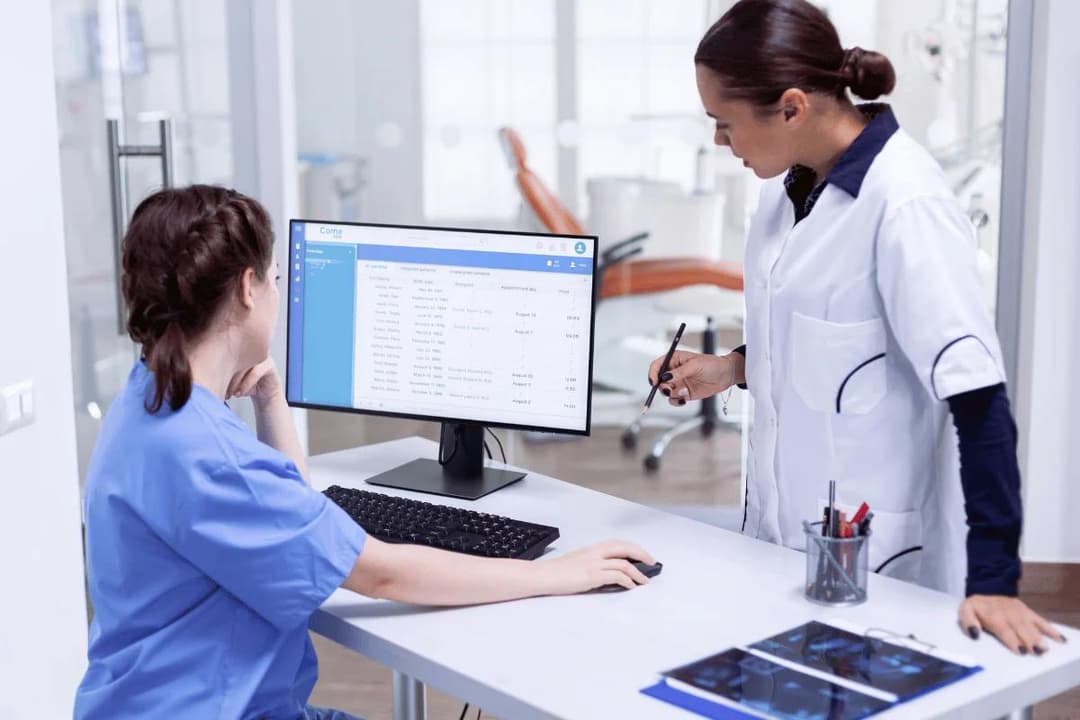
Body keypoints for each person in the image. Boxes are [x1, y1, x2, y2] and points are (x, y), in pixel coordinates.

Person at [75, 185, 655, 719]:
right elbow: (380, 575)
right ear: (249, 288)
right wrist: (556, 574)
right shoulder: (214, 459)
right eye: (276, 279)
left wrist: (270, 399)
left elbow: (287, 510)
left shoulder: (147, 402)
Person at [650, 0, 1065, 656]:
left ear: (791, 107)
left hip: (876, 562)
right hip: (773, 544)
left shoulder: (906, 207)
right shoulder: (780, 190)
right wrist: (732, 367)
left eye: (724, 125)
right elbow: (834, 332)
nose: (719, 143)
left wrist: (994, 579)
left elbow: (979, 401)